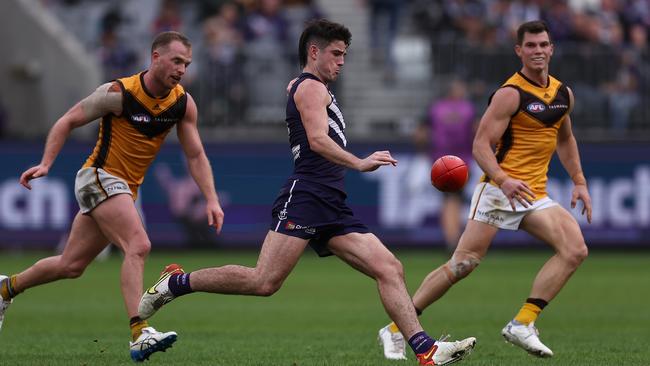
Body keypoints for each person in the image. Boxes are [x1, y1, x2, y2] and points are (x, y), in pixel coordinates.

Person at [138, 19, 476, 365]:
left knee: (389, 267)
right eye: (336, 54)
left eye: (344, 55)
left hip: (330, 200)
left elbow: (303, 106)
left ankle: (426, 350)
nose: (341, 62)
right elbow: (317, 140)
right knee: (264, 281)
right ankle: (176, 283)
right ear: (314, 52)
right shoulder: (310, 87)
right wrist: (359, 163)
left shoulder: (308, 87)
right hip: (307, 195)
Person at [0, 31, 224, 362]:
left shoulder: (182, 103)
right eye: (176, 61)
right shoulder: (119, 93)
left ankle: (6, 288)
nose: (181, 69)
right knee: (139, 245)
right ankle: (139, 332)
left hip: (121, 189)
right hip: (98, 177)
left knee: (70, 265)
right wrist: (46, 163)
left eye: (186, 63)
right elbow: (67, 121)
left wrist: (211, 198)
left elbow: (195, 155)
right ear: (156, 57)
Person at [379, 20, 592, 359]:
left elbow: (565, 138)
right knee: (463, 264)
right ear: (519, 51)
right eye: (531, 46)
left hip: (533, 193)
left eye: (543, 45)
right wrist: (504, 179)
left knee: (575, 249)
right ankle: (395, 328)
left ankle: (523, 323)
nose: (538, 51)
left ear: (552, 48)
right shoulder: (510, 94)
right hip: (499, 189)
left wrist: (579, 181)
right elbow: (480, 145)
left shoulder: (563, 94)